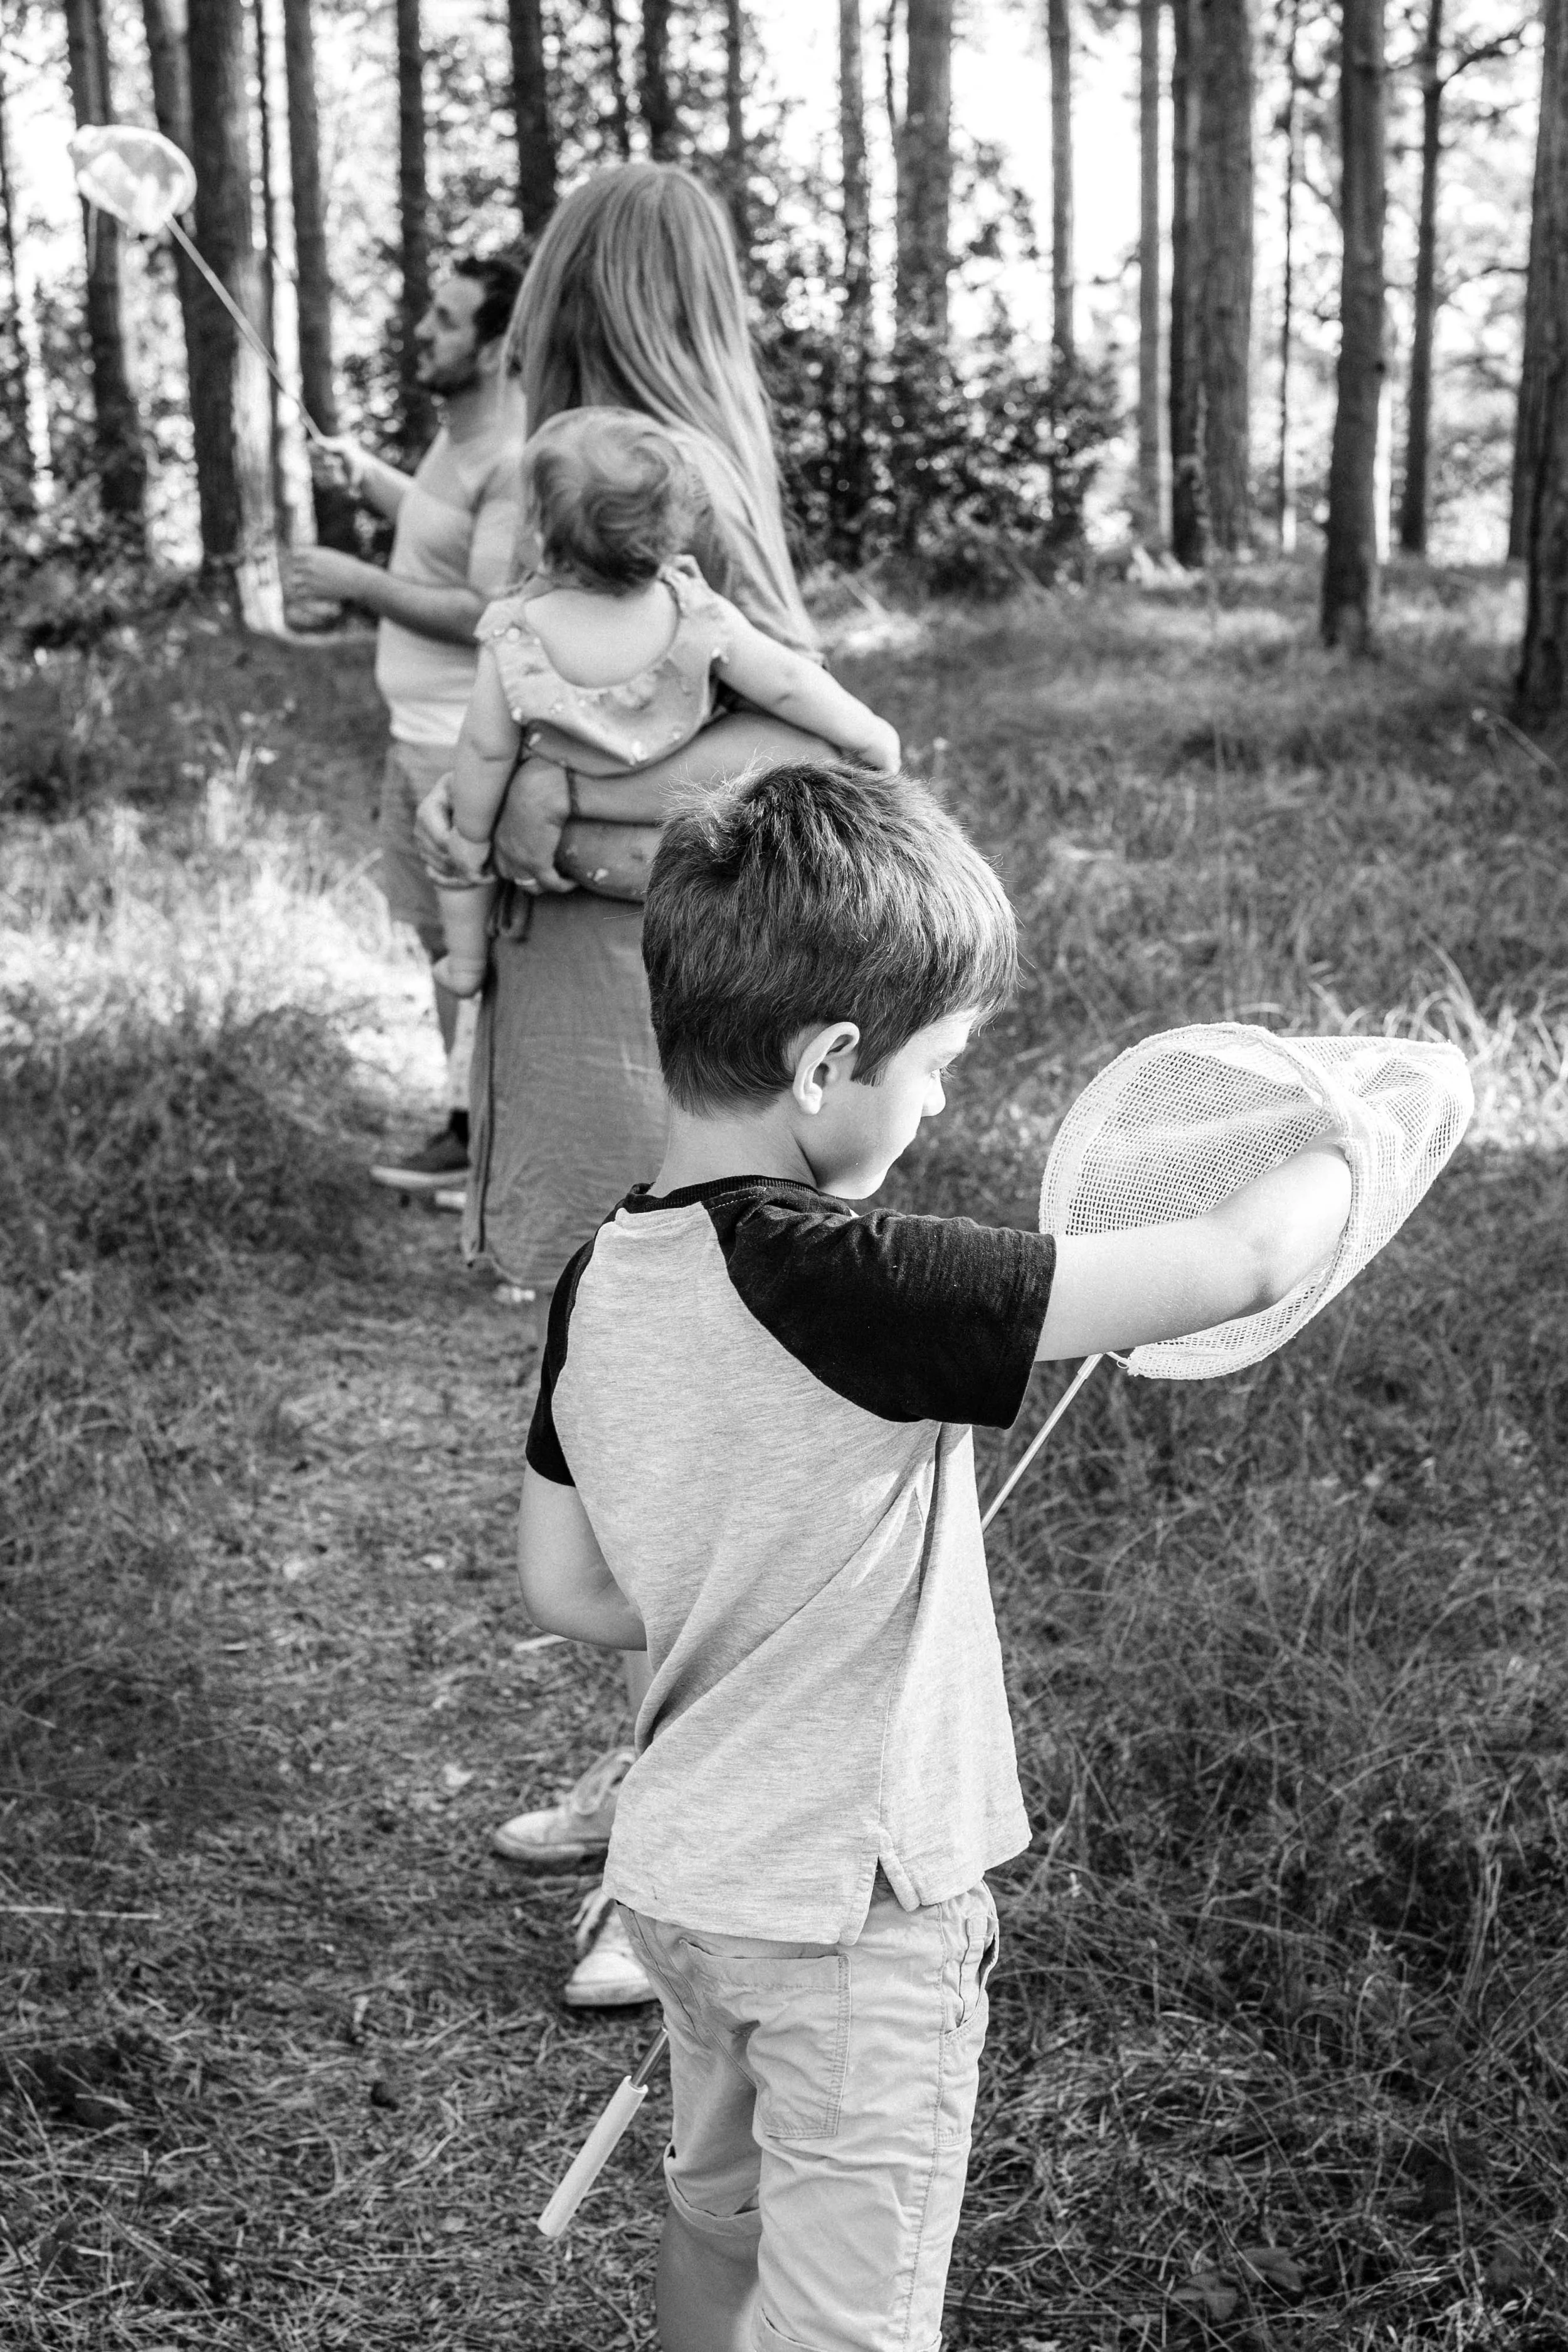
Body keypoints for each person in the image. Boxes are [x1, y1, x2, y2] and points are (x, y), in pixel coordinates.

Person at [515, 761, 1354, 2352]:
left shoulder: (594, 1274)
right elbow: (1240, 1259)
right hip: (853, 1913)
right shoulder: (869, 1280)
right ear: (829, 1059)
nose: (947, 1101)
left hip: (687, 1879)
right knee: (846, 2309)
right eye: (942, 1064)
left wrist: (724, 1580)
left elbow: (561, 1583)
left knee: (718, 2208)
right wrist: (1354, 1136)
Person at [414, 166, 835, 2006]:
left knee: (661, 1405)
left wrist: (572, 849)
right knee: (635, 1385)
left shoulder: (656, 472)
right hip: (606, 993)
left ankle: (685, 1856)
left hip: (646, 997)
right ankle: (664, 1782)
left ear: (583, 291)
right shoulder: (630, 459)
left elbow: (784, 737)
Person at [433, 407, 900, 995]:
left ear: (544, 543)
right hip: (670, 825)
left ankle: (466, 964)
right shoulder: (696, 613)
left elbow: (485, 748)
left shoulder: (515, 633)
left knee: (458, 869)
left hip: (561, 845)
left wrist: (472, 838)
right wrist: (868, 732)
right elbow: (787, 682)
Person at [289, 251, 526, 1199]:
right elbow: (439, 520)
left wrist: (357, 584)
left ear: (498, 344)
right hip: (412, 736)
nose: (423, 330)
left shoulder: (510, 458)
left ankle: (488, 1147)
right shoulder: (455, 439)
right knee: (438, 947)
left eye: (447, 318)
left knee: (474, 958)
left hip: (451, 742)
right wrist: (371, 477)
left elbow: (487, 606)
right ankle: (468, 1132)